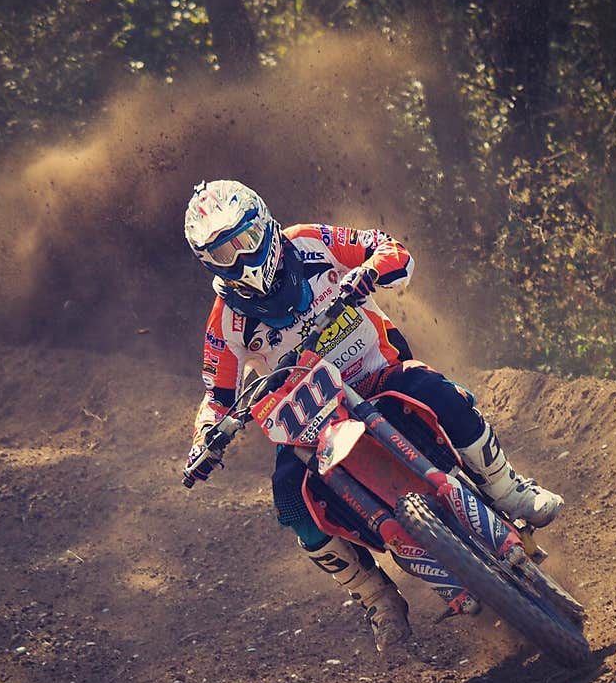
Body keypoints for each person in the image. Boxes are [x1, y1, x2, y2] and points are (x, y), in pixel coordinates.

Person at [181, 179, 563, 658]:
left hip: (377, 374)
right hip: (310, 418)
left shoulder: (310, 242)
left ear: (264, 225)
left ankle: (509, 490)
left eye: (244, 241)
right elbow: (217, 395)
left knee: (435, 391)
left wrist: (368, 273)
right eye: (223, 254)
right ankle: (377, 598)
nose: (240, 259)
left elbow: (386, 247)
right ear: (208, 263)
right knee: (290, 499)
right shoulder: (226, 322)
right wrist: (205, 439)